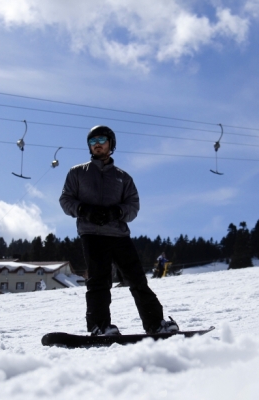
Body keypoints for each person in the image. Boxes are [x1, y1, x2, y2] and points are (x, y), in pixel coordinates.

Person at [59, 125, 179, 336]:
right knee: (99, 280)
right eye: (92, 142)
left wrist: (116, 212)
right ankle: (100, 326)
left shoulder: (123, 178)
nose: (97, 145)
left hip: (119, 236)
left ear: (111, 144)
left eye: (101, 140)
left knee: (137, 280)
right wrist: (84, 210)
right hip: (92, 235)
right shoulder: (77, 173)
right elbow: (66, 200)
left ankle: (155, 324)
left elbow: (133, 207)